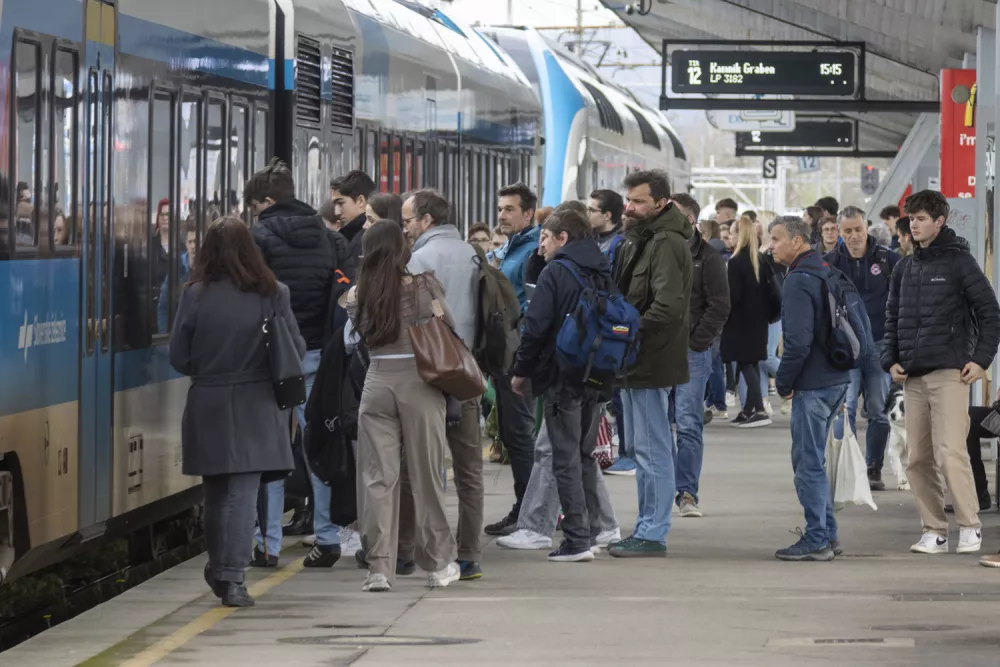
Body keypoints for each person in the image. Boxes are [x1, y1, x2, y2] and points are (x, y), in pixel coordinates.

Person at [170, 217, 304, 606]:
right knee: (244, 492)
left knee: (215, 494)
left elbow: (179, 357)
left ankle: (220, 568)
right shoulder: (273, 293)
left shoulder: (193, 294)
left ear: (207, 252)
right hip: (257, 402)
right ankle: (233, 578)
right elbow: (292, 348)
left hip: (209, 401)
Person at [497, 202, 622, 552]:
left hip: (561, 374)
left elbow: (535, 328)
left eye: (547, 239)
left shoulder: (558, 272)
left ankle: (577, 540)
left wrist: (522, 372)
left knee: (563, 456)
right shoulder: (602, 267)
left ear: (563, 237)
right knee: (582, 455)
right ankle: (596, 530)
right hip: (595, 374)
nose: (541, 245)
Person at [882, 190, 1000, 555]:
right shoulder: (904, 267)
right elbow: (891, 319)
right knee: (917, 458)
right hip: (912, 376)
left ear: (939, 221)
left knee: (950, 451)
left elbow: (990, 313)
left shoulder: (960, 263)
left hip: (951, 372)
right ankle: (934, 530)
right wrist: (890, 358)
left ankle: (970, 525)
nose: (913, 225)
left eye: (920, 218)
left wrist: (980, 360)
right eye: (910, 219)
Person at [346, 220, 461, 592]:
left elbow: (357, 340)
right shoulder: (423, 285)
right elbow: (449, 329)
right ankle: (439, 564)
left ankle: (379, 568)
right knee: (427, 476)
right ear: (401, 249)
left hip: (377, 382)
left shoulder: (357, 294)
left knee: (378, 479)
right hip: (419, 383)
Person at [248, 158, 342, 569]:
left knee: (270, 451)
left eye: (254, 205)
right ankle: (327, 535)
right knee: (317, 446)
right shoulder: (327, 236)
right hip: (317, 352)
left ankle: (267, 544)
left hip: (272, 356)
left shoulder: (260, 236)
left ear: (267, 201)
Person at [401, 189, 485, 581]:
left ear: (426, 220)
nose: (406, 228)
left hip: (428, 376)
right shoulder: (474, 254)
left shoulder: (419, 259)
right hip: (466, 373)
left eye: (408, 221)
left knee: (422, 467)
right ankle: (469, 554)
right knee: (469, 469)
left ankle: (418, 549)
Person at [608, 169, 692, 558]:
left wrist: (627, 331)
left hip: (649, 358)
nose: (629, 207)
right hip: (636, 359)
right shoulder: (641, 239)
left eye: (638, 201)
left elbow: (668, 306)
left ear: (661, 202)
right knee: (642, 446)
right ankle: (646, 526)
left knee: (652, 446)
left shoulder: (665, 242)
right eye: (628, 199)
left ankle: (654, 531)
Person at [769, 216, 851, 561]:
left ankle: (817, 536)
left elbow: (798, 343)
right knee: (814, 460)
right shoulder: (825, 270)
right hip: (835, 377)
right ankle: (827, 534)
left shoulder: (799, 280)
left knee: (807, 464)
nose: (770, 245)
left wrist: (783, 381)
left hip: (813, 383)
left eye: (776, 239)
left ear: (798, 241)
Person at [824, 206, 898, 490]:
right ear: (839, 233)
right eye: (847, 231)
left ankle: (873, 467)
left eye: (858, 230)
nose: (854, 236)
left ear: (867, 227)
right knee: (847, 407)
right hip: (846, 347)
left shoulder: (888, 260)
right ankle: (848, 467)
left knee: (879, 410)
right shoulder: (829, 263)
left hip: (880, 344)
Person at [484, 183, 543, 537]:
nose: (502, 215)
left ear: (527, 213)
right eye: (500, 208)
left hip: (518, 351)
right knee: (512, 431)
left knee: (520, 433)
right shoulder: (510, 248)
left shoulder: (534, 251)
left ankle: (529, 510)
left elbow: (532, 305)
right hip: (503, 350)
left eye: (509, 209)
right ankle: (528, 506)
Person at [671, 193, 730, 517]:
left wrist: (698, 340)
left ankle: (687, 493)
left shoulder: (707, 258)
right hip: (659, 350)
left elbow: (720, 303)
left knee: (689, 421)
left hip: (692, 352)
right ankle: (666, 485)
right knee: (658, 424)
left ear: (691, 221)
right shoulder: (658, 251)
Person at [721, 215, 771, 428]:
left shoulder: (735, 262)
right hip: (759, 321)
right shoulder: (759, 259)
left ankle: (759, 409)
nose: (729, 238)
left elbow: (733, 296)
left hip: (739, 322)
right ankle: (748, 409)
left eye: (731, 233)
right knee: (751, 363)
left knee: (744, 362)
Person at [331, 170, 376, 268]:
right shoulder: (354, 237)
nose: (336, 212)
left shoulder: (364, 240)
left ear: (360, 201)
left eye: (341, 203)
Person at [157, 223, 197, 333]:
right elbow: (163, 307)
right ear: (186, 244)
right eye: (190, 242)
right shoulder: (176, 268)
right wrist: (165, 337)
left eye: (196, 241)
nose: (193, 246)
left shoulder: (209, 268)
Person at [588, 189, 624, 254]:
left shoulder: (622, 244)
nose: (587, 213)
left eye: (592, 210)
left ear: (607, 215)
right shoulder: (589, 237)